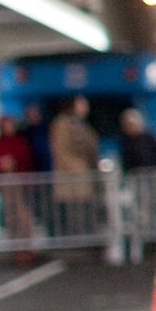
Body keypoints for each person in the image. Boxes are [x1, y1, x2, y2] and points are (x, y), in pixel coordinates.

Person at [47, 96, 100, 237]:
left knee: (84, 206)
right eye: (82, 104)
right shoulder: (62, 123)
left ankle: (86, 235)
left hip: (83, 173)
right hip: (71, 176)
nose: (85, 108)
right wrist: (70, 163)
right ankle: (75, 237)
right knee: (72, 208)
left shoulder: (82, 125)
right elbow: (59, 148)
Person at [0, 114, 38, 261]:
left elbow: (27, 159)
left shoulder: (20, 141)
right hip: (7, 188)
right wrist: (2, 164)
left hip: (21, 185)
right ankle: (16, 250)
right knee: (12, 219)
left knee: (24, 218)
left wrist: (14, 162)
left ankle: (27, 248)